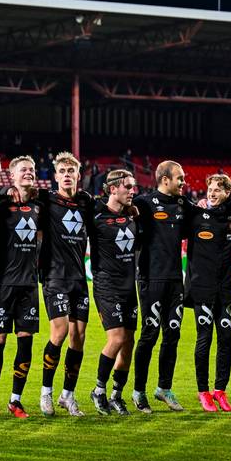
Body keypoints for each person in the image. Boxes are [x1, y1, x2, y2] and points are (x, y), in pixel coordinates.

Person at [32, 152, 94, 417]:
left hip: (79, 278)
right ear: (55, 176)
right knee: (59, 332)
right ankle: (45, 392)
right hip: (55, 276)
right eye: (62, 171)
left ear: (78, 175)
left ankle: (67, 395)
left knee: (78, 337)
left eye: (71, 171)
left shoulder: (86, 201)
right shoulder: (45, 199)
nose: (67, 175)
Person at [0, 156, 44, 419]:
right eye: (23, 170)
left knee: (25, 343)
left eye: (32, 169)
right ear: (12, 175)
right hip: (3, 282)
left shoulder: (41, 204)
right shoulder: (0, 203)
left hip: (29, 284)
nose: (29, 173)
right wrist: (4, 193)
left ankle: (15, 400)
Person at [130, 160, 191, 413]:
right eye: (180, 178)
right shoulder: (143, 203)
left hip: (175, 280)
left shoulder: (183, 204)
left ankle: (164, 388)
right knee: (150, 334)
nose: (183, 182)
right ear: (165, 179)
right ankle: (138, 391)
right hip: (150, 279)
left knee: (173, 334)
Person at [185, 174, 231, 413]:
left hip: (226, 290)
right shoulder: (196, 215)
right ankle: (203, 391)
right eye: (210, 189)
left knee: (226, 340)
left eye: (218, 189)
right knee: (204, 339)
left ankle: (220, 391)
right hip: (202, 289)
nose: (212, 193)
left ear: (227, 193)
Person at [88, 169, 140, 416]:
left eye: (133, 186)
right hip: (106, 285)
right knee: (117, 338)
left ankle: (116, 395)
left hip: (130, 287)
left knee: (128, 342)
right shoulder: (96, 216)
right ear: (112, 189)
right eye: (127, 187)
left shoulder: (132, 216)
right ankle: (98, 390)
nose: (132, 191)